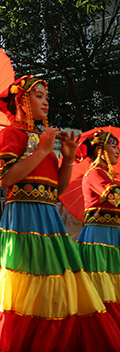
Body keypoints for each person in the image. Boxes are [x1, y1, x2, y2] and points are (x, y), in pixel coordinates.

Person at [0, 76, 118, 351]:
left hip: (49, 220)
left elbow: (58, 190)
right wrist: (44, 149)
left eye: (47, 97)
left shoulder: (40, 138)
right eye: (39, 95)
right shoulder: (11, 135)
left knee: (61, 284)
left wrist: (66, 158)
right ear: (21, 100)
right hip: (23, 222)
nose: (46, 101)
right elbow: (5, 178)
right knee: (25, 288)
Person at [76, 130, 120, 322]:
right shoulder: (95, 174)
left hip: (111, 236)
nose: (118, 151)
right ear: (100, 150)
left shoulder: (108, 176)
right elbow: (116, 198)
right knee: (103, 287)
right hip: (100, 239)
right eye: (113, 146)